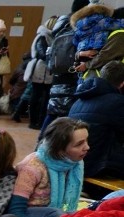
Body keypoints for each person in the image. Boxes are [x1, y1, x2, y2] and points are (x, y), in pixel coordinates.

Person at [8, 117, 90, 217]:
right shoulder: (33, 167)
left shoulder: (74, 163)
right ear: (60, 150)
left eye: (86, 141)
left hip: (48, 213)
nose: (87, 147)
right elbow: (16, 209)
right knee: (58, 215)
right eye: (79, 144)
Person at [41, 1, 91, 135]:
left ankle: (41, 142)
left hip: (58, 72)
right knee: (70, 114)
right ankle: (61, 147)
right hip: (74, 72)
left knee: (53, 110)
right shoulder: (82, 25)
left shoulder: (61, 25)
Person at [68, 61, 124, 180]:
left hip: (75, 161)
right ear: (122, 83)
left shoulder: (78, 100)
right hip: (99, 166)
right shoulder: (118, 102)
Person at [23, 21, 56, 130]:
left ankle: (40, 121)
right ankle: (33, 121)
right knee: (36, 96)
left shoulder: (51, 36)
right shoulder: (42, 37)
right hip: (40, 69)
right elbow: (42, 54)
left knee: (44, 97)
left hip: (47, 71)